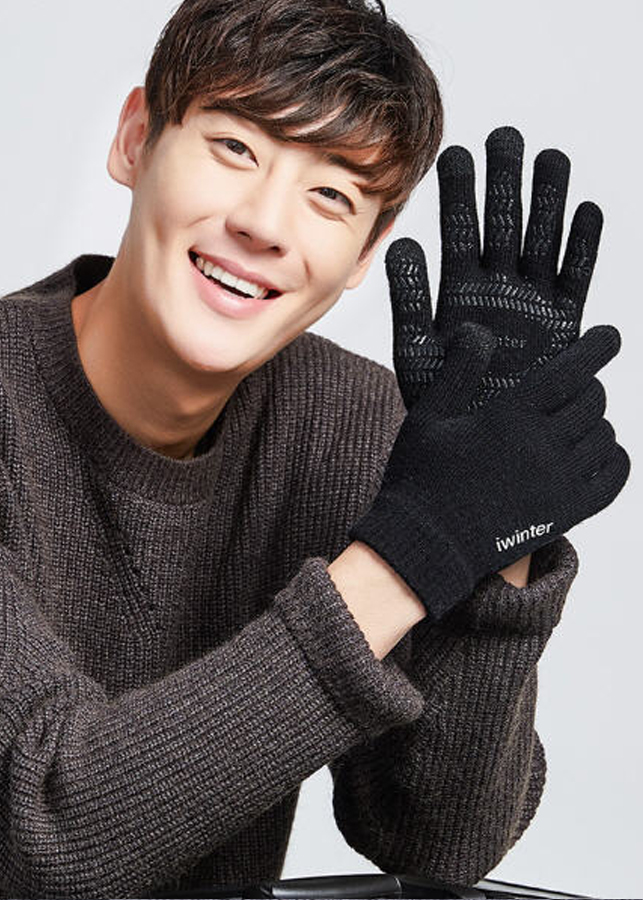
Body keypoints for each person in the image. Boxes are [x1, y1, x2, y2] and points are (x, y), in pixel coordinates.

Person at [0, 1, 630, 898]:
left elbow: (437, 843)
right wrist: (410, 556)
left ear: (366, 252)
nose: (265, 224)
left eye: (331, 196)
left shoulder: (353, 423)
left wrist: (497, 532)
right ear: (136, 140)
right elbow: (44, 832)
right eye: (234, 148)